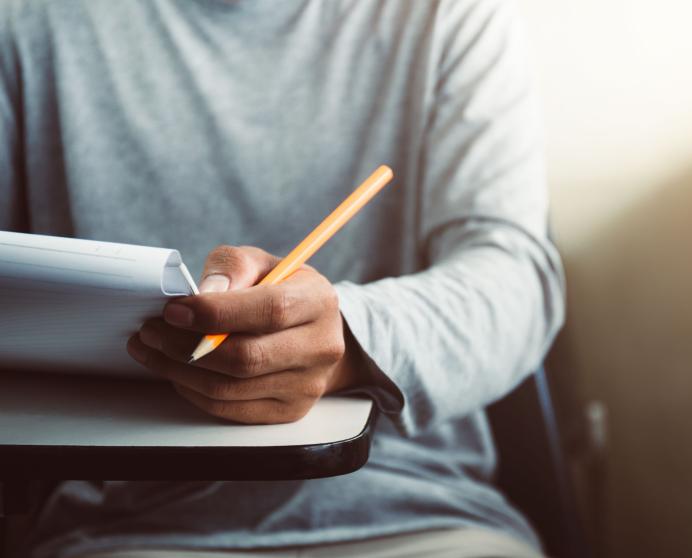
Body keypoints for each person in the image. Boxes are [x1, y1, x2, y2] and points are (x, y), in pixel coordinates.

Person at [0, 1, 565, 556]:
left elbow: (516, 282)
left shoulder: (450, 17)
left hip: (420, 511)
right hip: (126, 523)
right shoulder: (25, 23)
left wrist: (348, 340)